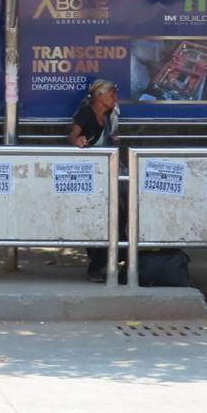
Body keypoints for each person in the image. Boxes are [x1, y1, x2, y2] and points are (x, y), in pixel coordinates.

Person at [68, 79, 120, 282]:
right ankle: (96, 265)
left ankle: (104, 261)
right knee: (98, 219)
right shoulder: (87, 113)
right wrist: (78, 142)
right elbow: (72, 136)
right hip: (90, 176)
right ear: (99, 96)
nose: (115, 98)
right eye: (112, 94)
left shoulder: (108, 116)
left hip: (105, 174)